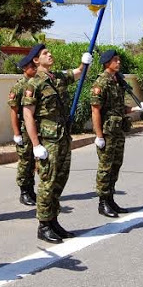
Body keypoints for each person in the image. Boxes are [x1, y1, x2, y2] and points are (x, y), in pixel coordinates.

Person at [22, 44, 92, 243]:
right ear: (36, 60)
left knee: (60, 179)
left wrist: (84, 63)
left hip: (63, 137)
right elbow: (28, 115)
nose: (50, 54)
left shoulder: (58, 78)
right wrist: (36, 145)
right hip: (48, 139)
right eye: (45, 53)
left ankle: (53, 220)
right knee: (47, 182)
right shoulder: (33, 84)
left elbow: (78, 73)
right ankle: (43, 225)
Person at [91, 49, 143, 217]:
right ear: (107, 62)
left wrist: (135, 108)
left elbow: (119, 107)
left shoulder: (117, 81)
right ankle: (102, 202)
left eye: (119, 59)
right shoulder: (101, 83)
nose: (119, 62)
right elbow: (95, 111)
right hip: (107, 132)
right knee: (105, 167)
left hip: (118, 130)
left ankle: (110, 199)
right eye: (116, 59)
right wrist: (99, 135)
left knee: (116, 165)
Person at [8, 51, 39, 206]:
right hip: (23, 129)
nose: (34, 69)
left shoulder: (36, 83)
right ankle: (24, 191)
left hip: (34, 128)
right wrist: (16, 133)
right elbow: (13, 112)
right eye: (32, 67)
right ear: (24, 68)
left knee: (33, 161)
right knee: (25, 161)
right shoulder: (19, 87)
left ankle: (31, 189)